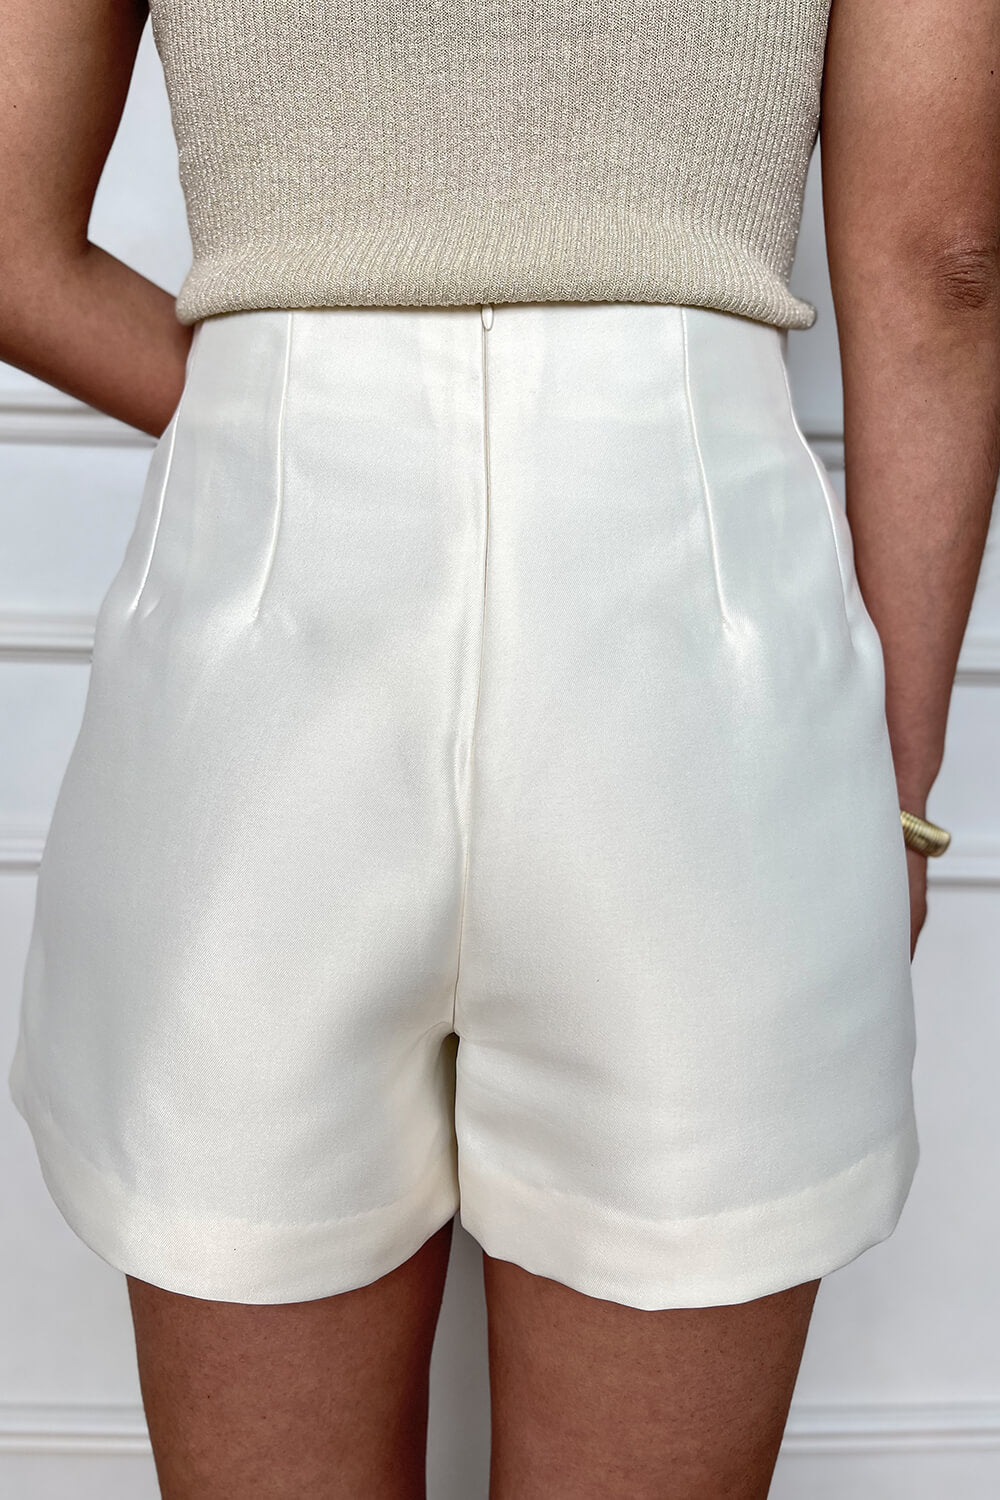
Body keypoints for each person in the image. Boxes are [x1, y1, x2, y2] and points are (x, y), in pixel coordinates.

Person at [2, 0, 998, 1495]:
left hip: (258, 662)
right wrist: (898, 799)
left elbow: (11, 243)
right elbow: (944, 266)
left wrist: (277, 421)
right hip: (692, 643)